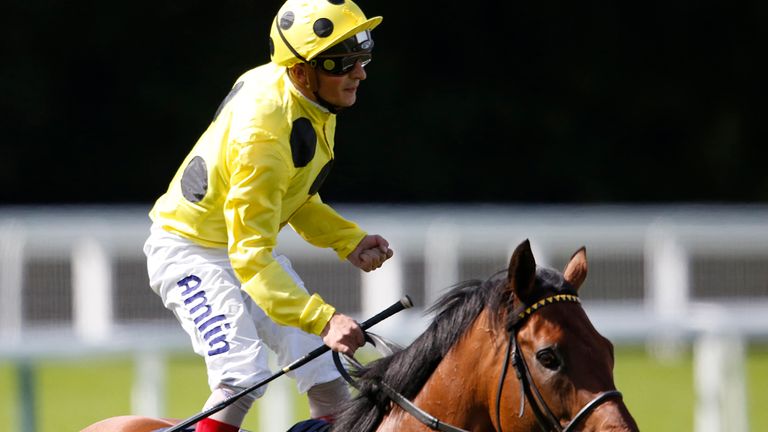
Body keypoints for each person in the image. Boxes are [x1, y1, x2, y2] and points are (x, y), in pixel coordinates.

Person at [142, 1, 392, 431]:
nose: (360, 73)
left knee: (326, 373)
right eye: (343, 63)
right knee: (242, 376)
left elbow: (291, 198)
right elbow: (252, 259)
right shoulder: (264, 136)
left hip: (239, 247)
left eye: (362, 59)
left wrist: (346, 239)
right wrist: (326, 319)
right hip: (192, 251)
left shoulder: (307, 95)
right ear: (300, 71)